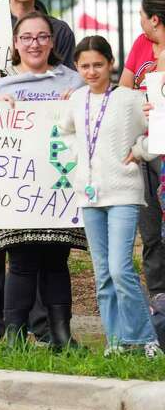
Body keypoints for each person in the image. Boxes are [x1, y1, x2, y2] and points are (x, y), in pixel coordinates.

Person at [0, 11, 85, 348]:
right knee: (21, 262)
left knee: (56, 260)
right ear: (15, 43)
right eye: (27, 37)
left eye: (41, 37)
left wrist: (79, 105)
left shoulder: (73, 81)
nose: (34, 44)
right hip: (17, 190)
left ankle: (60, 335)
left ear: (52, 42)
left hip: (59, 189)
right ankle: (14, 337)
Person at [58, 35, 161, 358]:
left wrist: (140, 151)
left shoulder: (128, 99)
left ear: (111, 64)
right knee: (102, 273)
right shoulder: (75, 100)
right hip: (89, 195)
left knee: (120, 269)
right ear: (77, 67)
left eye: (98, 65)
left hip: (124, 192)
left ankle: (145, 338)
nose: (92, 72)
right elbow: (63, 132)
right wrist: (76, 160)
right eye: (85, 66)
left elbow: (156, 130)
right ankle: (116, 340)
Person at [119, 0, 165, 300]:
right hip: (145, 151)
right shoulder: (141, 44)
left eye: (141, 16)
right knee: (150, 236)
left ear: (154, 19)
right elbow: (124, 90)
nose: (140, 22)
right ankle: (159, 302)